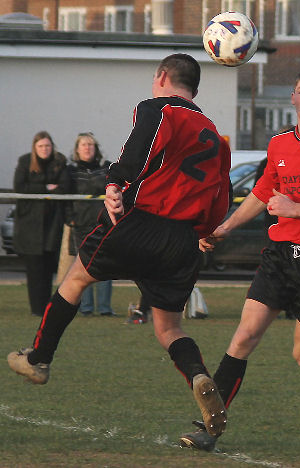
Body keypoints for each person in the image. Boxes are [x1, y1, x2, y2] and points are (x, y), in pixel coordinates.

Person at [7, 54, 233, 440]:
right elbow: (220, 194)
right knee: (169, 327)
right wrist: (208, 231)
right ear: (195, 88)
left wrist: (114, 181)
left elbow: (139, 146)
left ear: (162, 77)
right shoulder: (214, 134)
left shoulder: (158, 108)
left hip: (143, 221)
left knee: (76, 279)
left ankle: (39, 359)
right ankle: (198, 376)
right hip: (184, 240)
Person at [179, 68, 300, 452]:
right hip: (279, 253)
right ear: (292, 99)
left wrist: (295, 208)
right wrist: (225, 227)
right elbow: (264, 190)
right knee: (244, 335)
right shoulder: (280, 142)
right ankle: (209, 428)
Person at [13, 131, 70, 316]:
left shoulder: (59, 163)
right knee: (34, 269)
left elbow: (65, 187)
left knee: (47, 268)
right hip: (30, 225)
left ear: (52, 146)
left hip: (51, 224)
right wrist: (45, 188)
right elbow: (20, 187)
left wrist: (45, 189)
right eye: (41, 146)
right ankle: (37, 309)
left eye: (47, 146)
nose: (44, 149)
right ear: (34, 148)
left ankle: (46, 307)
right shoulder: (25, 162)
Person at [66, 132, 114, 316]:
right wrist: (70, 218)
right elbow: (65, 198)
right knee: (83, 266)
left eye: (91, 145)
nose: (87, 148)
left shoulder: (106, 168)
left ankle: (104, 308)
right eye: (84, 145)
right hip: (80, 225)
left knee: (105, 265)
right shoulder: (71, 171)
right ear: (77, 149)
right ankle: (85, 308)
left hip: (104, 224)